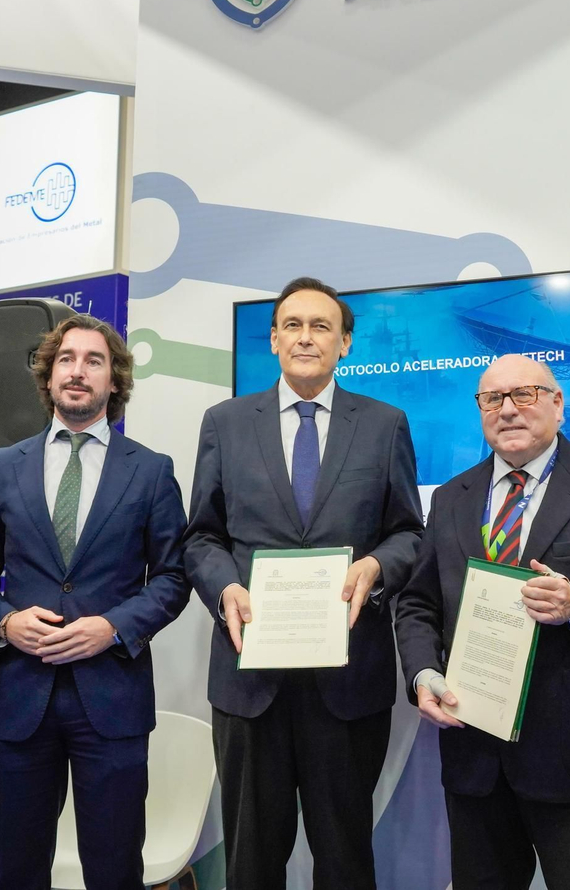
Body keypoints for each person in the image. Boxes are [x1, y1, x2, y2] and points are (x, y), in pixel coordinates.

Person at [395, 354, 570, 890]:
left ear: (557, 403)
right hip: (474, 755)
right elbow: (417, 604)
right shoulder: (453, 498)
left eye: (523, 394)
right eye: (492, 399)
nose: (507, 409)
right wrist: (421, 674)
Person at [184, 276, 424, 890]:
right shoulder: (226, 423)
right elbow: (201, 537)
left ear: (345, 343)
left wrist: (376, 569)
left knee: (345, 857)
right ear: (272, 341)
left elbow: (408, 535)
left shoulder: (385, 424)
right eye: (292, 325)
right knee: (252, 859)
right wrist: (224, 591)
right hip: (249, 682)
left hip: (348, 681)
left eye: (321, 326)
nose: (306, 337)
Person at [0, 314, 190, 890]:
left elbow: (173, 578)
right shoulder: (0, 467)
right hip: (20, 698)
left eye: (94, 361)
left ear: (114, 381)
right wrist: (5, 622)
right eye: (66, 359)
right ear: (48, 376)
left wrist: (114, 628)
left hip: (111, 701)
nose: (78, 371)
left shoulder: (150, 471)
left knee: (115, 867)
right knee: (16, 868)